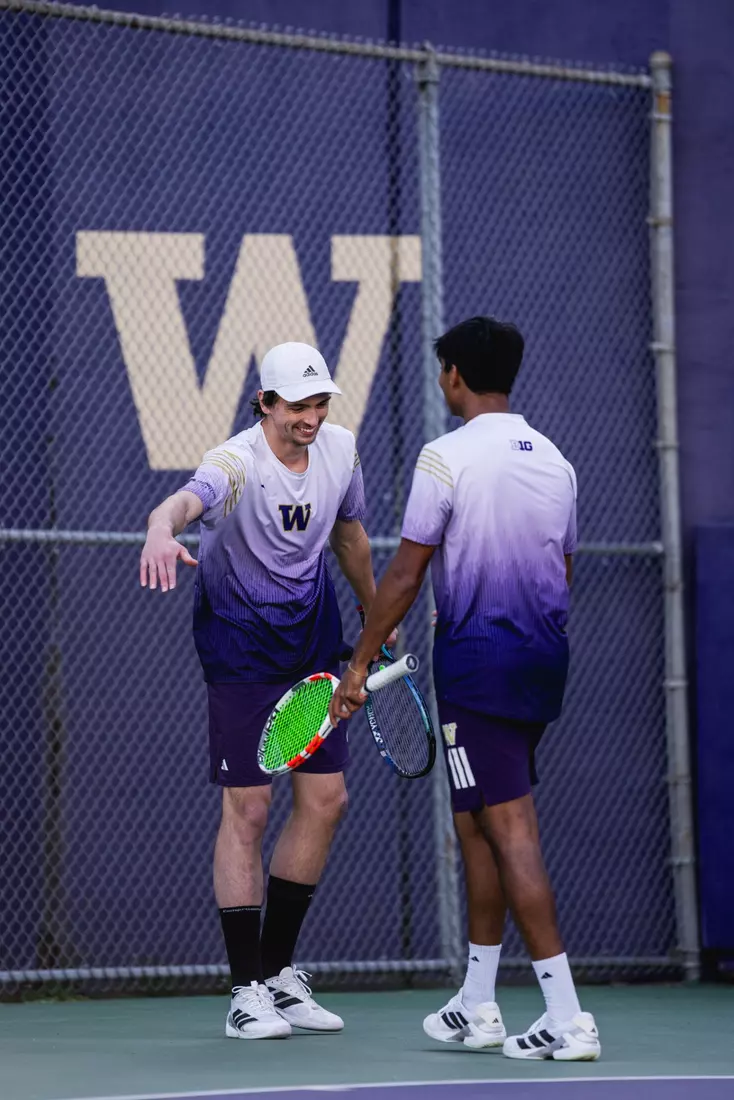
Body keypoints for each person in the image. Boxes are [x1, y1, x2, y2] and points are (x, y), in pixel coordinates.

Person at [329, 316, 601, 1062]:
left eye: (442, 369)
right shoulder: (556, 461)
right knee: (475, 821)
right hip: (543, 659)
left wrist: (357, 668)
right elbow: (563, 571)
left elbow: (408, 572)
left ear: (454, 375)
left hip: (479, 664)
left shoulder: (444, 457)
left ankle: (568, 1016)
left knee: (509, 829)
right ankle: (478, 1002)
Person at [140, 342, 390, 1040]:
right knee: (248, 810)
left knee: (327, 800)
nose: (311, 416)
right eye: (297, 405)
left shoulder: (340, 448)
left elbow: (350, 537)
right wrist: (161, 529)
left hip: (313, 641)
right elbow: (183, 502)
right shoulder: (236, 462)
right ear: (265, 405)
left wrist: (377, 614)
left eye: (319, 403)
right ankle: (244, 990)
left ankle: (277, 976)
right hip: (239, 647)